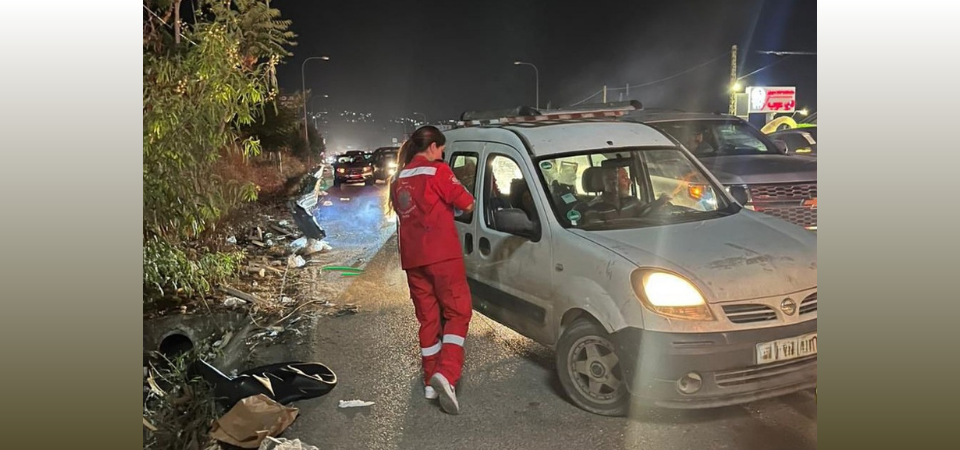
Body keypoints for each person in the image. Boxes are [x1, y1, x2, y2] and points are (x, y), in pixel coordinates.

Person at [388, 126, 475, 415]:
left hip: (413, 259)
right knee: (458, 312)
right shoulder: (438, 171)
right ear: (434, 147)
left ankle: (429, 381)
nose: (444, 153)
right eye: (442, 148)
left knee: (428, 319)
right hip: (441, 255)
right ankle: (447, 374)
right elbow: (467, 202)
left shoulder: (399, 177)